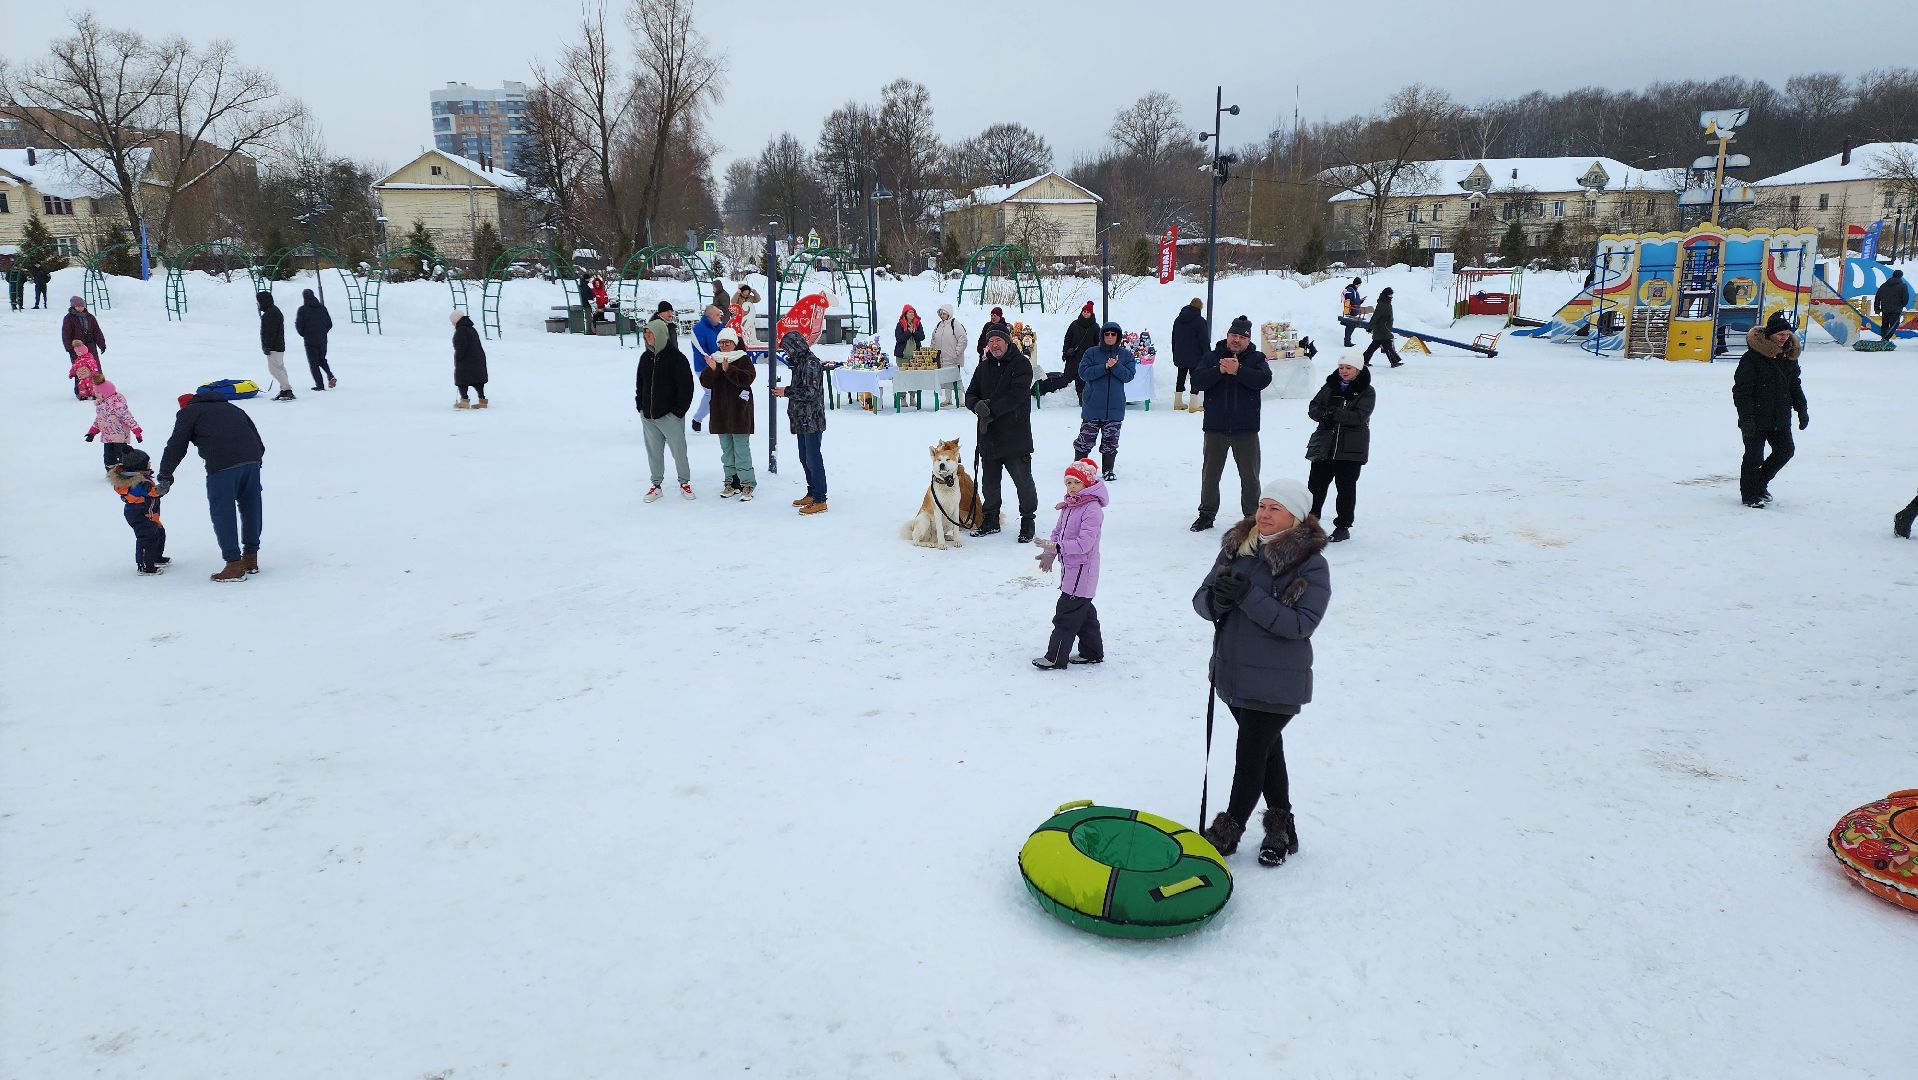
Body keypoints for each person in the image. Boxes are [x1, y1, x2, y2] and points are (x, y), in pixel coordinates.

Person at [1192, 477, 1330, 867]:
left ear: (1296, 517)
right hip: (1234, 673)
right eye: (1262, 506)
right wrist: (1215, 601)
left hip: (1278, 681)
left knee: (1251, 752)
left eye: (1276, 508)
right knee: (1268, 751)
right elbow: (1201, 600)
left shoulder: (1311, 564)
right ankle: (1281, 828)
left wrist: (1248, 598)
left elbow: (1301, 625)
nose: (1264, 515)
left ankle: (1228, 831)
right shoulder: (1238, 549)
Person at [156, 386, 268, 582]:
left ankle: (234, 564)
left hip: (222, 466)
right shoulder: (233, 408)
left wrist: (165, 474)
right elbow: (257, 438)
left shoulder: (189, 412)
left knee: (223, 512)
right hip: (251, 461)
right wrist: (255, 460)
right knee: (251, 507)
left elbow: (176, 445)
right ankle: (251, 558)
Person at [1190, 315, 1273, 532]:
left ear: (1248, 339)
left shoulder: (1257, 358)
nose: (1236, 340)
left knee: (1250, 476)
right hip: (1215, 427)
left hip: (1246, 429)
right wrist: (1219, 370)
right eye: (1233, 335)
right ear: (1227, 336)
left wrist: (1239, 371)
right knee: (1210, 475)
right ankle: (1206, 514)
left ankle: (1252, 517)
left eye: (1241, 337)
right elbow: (1197, 380)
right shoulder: (1212, 356)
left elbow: (1263, 380)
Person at [1031, 457, 1109, 670]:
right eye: (1068, 482)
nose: (1072, 487)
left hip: (1083, 572)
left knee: (1066, 614)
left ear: (1087, 483)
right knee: (1084, 613)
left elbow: (1084, 544)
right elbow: (1057, 533)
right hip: (1072, 570)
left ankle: (1056, 657)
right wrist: (1050, 551)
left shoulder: (1092, 509)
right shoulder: (1069, 506)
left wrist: (1057, 547)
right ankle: (1092, 652)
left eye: (1077, 482)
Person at [965, 326, 1039, 542]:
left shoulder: (1022, 364)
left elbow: (1017, 395)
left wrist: (991, 409)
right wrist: (976, 405)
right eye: (991, 341)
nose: (995, 345)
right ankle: (991, 519)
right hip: (989, 436)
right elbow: (970, 394)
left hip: (1015, 437)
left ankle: (1027, 521)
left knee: (1023, 483)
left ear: (1007, 342)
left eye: (999, 340)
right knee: (990, 483)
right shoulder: (983, 367)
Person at [1732, 311, 1808, 509]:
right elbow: (1742, 391)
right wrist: (1746, 418)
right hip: (1756, 416)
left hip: (1780, 415)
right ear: (1769, 335)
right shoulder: (1752, 358)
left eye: (1787, 334)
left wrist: (1802, 409)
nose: (1784, 337)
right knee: (1753, 457)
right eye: (1780, 334)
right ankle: (1750, 495)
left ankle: (1760, 484)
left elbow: (1794, 385)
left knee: (1785, 451)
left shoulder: (1789, 357)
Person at [1304, 351, 1375, 543]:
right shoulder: (1330, 386)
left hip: (1350, 449)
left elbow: (1360, 416)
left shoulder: (1366, 391)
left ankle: (1343, 526)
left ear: (1358, 369)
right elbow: (1313, 406)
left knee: (1345, 489)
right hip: (1324, 445)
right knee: (1315, 487)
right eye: (1341, 367)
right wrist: (1322, 415)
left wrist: (1337, 414)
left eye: (1348, 368)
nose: (1344, 371)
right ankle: (1310, 525)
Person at [636, 315, 695, 501]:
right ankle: (656, 485)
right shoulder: (645, 358)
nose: (647, 338)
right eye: (645, 335)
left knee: (679, 451)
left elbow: (686, 387)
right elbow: (640, 385)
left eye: (651, 334)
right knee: (653, 452)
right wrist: (641, 407)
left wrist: (678, 412)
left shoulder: (677, 358)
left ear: (660, 334)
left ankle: (684, 482)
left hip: (670, 416)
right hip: (649, 416)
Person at [772, 330, 828, 515]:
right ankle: (812, 493)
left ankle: (820, 499)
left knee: (813, 459)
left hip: (811, 419)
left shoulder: (810, 363)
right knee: (805, 458)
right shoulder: (800, 363)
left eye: (788, 350)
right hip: (801, 419)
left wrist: (786, 392)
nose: (787, 354)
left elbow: (810, 392)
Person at [701, 326, 757, 501]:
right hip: (720, 413)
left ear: (734, 343)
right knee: (727, 450)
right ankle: (731, 482)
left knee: (741, 449)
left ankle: (747, 483)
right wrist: (712, 369)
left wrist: (729, 370)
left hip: (739, 412)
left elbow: (748, 379)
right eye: (721, 343)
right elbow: (706, 382)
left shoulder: (743, 358)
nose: (724, 345)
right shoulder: (715, 359)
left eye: (727, 342)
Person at [1075, 321, 1136, 482]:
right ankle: (1078, 468)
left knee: (1111, 442)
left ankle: (1108, 470)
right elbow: (1083, 373)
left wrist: (1115, 366)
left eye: (1113, 334)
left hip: (1114, 409)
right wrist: (1104, 367)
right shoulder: (1091, 353)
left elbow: (1128, 376)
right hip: (1093, 407)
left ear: (1118, 336)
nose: (1110, 337)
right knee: (1085, 441)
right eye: (1107, 334)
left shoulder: (1125, 355)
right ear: (1102, 336)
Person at [107, 448, 168, 576]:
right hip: (141, 515)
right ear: (139, 467)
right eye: (147, 463)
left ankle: (156, 557)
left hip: (149, 514)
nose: (150, 464)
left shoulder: (139, 478)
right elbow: (153, 493)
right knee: (147, 538)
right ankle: (145, 565)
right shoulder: (138, 484)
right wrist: (161, 489)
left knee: (159, 533)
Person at [84, 374, 142, 469]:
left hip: (119, 437)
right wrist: (92, 433)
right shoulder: (101, 406)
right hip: (107, 437)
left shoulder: (117, 406)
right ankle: (112, 473)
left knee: (122, 456)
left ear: (105, 393)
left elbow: (128, 419)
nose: (95, 394)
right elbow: (99, 420)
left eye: (97, 393)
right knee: (108, 457)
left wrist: (137, 432)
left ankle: (127, 470)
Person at [690, 303, 725, 432]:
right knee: (711, 393)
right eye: (717, 315)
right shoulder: (698, 329)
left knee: (722, 393)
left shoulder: (719, 326)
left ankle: (721, 419)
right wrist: (710, 360)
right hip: (704, 367)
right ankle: (697, 420)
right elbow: (700, 349)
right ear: (709, 316)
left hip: (720, 365)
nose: (720, 317)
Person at [294, 288, 336, 391]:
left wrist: (304, 334)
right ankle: (330, 375)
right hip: (322, 339)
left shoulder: (302, 310)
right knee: (322, 359)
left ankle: (320, 385)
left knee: (314, 364)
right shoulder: (322, 308)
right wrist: (322, 332)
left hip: (310, 340)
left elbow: (299, 325)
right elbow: (329, 324)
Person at [255, 291, 294, 401]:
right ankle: (284, 390)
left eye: (258, 301)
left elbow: (270, 332)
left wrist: (266, 346)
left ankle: (288, 390)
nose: (257, 304)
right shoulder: (272, 311)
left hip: (274, 346)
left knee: (274, 369)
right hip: (278, 345)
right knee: (279, 368)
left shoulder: (271, 314)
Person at [1062, 301, 1102, 404]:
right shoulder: (1074, 324)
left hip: (1089, 356)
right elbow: (1067, 338)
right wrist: (1065, 351)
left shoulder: (1095, 327)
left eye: (1087, 312)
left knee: (1086, 377)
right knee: (1076, 376)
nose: (1085, 313)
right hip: (1074, 356)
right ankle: (1080, 395)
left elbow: (1098, 342)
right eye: (1084, 311)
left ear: (1091, 313)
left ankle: (1085, 396)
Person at [929, 304, 969, 407]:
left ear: (949, 314)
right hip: (941, 358)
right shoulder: (938, 325)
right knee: (945, 378)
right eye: (941, 313)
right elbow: (933, 338)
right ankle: (948, 399)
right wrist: (933, 351)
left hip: (953, 358)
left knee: (956, 378)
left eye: (944, 313)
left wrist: (957, 352)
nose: (942, 315)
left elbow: (963, 339)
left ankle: (960, 400)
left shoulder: (955, 324)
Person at [1171, 298, 1206, 413]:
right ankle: (1193, 405)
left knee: (1180, 377)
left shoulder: (1178, 320)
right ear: (1200, 307)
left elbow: (1173, 338)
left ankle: (1177, 402)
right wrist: (1208, 355)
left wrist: (1175, 353)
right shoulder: (1200, 321)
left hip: (1180, 354)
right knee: (1195, 378)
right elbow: (1204, 340)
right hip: (1195, 356)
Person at [61, 296, 106, 383]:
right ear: (73, 306)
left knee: (94, 367)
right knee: (81, 369)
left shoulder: (90, 317)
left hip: (90, 346)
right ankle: (80, 390)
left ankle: (98, 388)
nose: (80, 308)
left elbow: (97, 331)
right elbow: (66, 334)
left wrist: (101, 344)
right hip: (77, 349)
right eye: (78, 306)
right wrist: (69, 347)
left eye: (82, 306)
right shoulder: (69, 318)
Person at [451, 309, 489, 408]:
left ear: (456, 320)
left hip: (467, 361)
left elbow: (460, 347)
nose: (452, 324)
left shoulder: (461, 331)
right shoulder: (471, 329)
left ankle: (464, 402)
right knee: (478, 381)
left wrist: (458, 359)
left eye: (453, 322)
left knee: (462, 381)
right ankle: (482, 401)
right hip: (478, 359)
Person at [1362, 287, 1402, 368]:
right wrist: (1370, 327)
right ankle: (1394, 362)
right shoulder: (1382, 304)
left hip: (1383, 328)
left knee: (1374, 346)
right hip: (1382, 329)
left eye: (1392, 294)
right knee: (1387, 345)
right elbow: (1375, 317)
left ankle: (1363, 360)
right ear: (1386, 295)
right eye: (1390, 294)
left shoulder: (1386, 303)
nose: (1391, 296)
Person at [1875, 269, 1909, 343]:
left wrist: (1877, 308)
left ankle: (1884, 339)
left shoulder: (1883, 285)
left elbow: (1877, 297)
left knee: (1885, 325)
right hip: (1896, 310)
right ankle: (1886, 339)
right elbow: (1905, 298)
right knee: (1894, 325)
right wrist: (1902, 305)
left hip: (1885, 309)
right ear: (1901, 276)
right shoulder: (1903, 286)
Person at [1340, 277, 1365, 347]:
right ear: (1358, 283)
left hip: (1353, 311)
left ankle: (1347, 341)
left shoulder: (1354, 290)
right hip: (1351, 312)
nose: (1360, 285)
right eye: (1360, 284)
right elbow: (1348, 301)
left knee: (1351, 326)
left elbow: (1354, 301)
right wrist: (1347, 313)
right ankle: (1347, 342)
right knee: (1350, 326)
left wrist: (1360, 301)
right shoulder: (1350, 290)